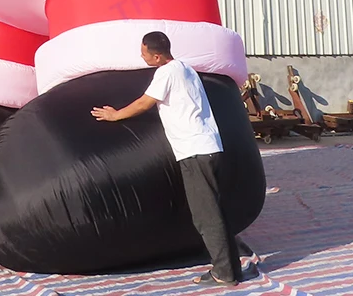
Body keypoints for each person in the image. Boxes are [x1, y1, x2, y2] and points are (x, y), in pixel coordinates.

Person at [91, 31, 244, 287]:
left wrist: (115, 115)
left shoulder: (166, 73)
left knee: (205, 216)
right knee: (214, 210)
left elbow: (144, 103)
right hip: (209, 147)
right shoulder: (186, 69)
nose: (141, 57)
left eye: (144, 53)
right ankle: (231, 268)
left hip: (194, 150)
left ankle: (224, 273)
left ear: (158, 55)